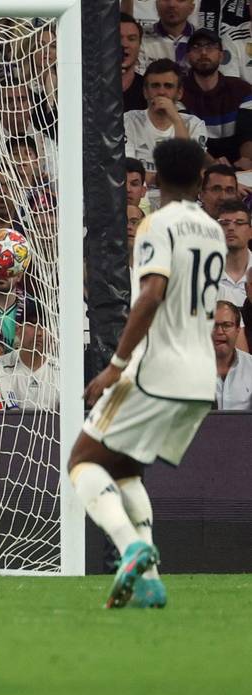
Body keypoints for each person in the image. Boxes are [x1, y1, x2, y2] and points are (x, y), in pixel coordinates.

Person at [71, 137, 224, 613]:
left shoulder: (159, 223)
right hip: (201, 378)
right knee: (126, 468)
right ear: (201, 179)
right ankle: (151, 582)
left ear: (155, 178)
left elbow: (152, 293)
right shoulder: (213, 230)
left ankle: (130, 547)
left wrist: (115, 366)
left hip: (156, 369)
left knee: (82, 462)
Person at [124, 60, 209, 174]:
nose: (161, 92)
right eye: (155, 86)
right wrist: (167, 178)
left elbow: (189, 170)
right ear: (145, 92)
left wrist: (176, 119)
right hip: (143, 191)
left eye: (168, 86)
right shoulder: (128, 120)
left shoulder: (194, 124)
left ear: (179, 93)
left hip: (180, 192)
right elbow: (129, 173)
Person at [181, 29, 252, 163]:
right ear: (188, 56)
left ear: (221, 56)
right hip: (197, 169)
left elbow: (248, 137)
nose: (203, 52)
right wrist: (214, 167)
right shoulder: (179, 92)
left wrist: (246, 161)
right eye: (196, 47)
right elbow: (186, 141)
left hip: (238, 170)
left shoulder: (242, 90)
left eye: (210, 47)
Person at [213, 300, 252, 409]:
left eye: (227, 325)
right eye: (213, 325)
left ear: (237, 330)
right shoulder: (188, 369)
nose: (220, 331)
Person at [215, 199, 251, 305]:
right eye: (224, 223)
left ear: (251, 232)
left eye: (239, 223)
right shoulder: (202, 272)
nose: (231, 228)